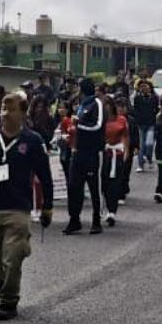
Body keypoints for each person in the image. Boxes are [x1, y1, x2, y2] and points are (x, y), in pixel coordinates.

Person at [0, 93, 53, 321]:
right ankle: (5, 281)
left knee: (12, 256)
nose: (5, 113)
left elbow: (45, 176)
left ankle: (8, 300)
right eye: (3, 108)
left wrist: (47, 206)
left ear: (23, 113)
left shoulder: (33, 141)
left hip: (18, 208)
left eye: (11, 109)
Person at [64, 77, 104, 235]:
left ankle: (96, 220)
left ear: (82, 89)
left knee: (94, 187)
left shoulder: (97, 104)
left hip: (92, 152)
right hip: (78, 151)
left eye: (78, 87)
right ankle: (74, 220)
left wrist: (78, 123)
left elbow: (98, 125)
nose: (76, 91)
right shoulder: (81, 105)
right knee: (74, 186)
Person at [100, 97, 130, 226]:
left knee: (115, 183)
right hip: (103, 154)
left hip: (117, 154)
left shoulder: (122, 119)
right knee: (104, 183)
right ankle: (106, 206)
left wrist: (126, 152)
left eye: (108, 105)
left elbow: (125, 136)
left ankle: (112, 211)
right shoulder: (99, 121)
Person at [27, 94, 56, 222]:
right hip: (27, 151)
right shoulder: (28, 118)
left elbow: (49, 136)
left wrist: (36, 127)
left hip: (43, 150)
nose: (39, 109)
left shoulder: (49, 119)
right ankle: (29, 207)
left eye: (41, 107)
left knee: (41, 182)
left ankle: (39, 207)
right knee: (28, 181)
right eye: (36, 106)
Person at [132, 79, 158, 172]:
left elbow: (157, 110)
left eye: (146, 86)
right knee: (141, 145)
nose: (144, 88)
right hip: (140, 125)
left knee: (149, 144)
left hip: (151, 124)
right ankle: (140, 165)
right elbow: (135, 110)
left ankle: (149, 158)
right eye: (142, 87)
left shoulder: (155, 98)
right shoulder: (137, 98)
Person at [54, 100, 75, 188]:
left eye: (63, 108)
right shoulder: (60, 120)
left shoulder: (67, 120)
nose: (61, 110)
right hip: (62, 147)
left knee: (68, 170)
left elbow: (69, 135)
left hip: (67, 148)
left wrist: (62, 137)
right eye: (59, 108)